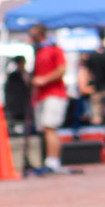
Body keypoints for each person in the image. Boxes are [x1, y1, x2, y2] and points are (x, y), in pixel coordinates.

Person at [29, 23, 69, 171]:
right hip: (42, 96)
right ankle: (49, 160)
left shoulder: (55, 49)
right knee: (45, 129)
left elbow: (62, 69)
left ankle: (53, 161)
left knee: (50, 128)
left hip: (55, 94)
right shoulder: (39, 52)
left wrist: (43, 80)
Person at [81, 28, 105, 125]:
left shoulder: (92, 55)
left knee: (96, 116)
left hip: (95, 89)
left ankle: (98, 137)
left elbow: (86, 72)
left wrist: (85, 86)